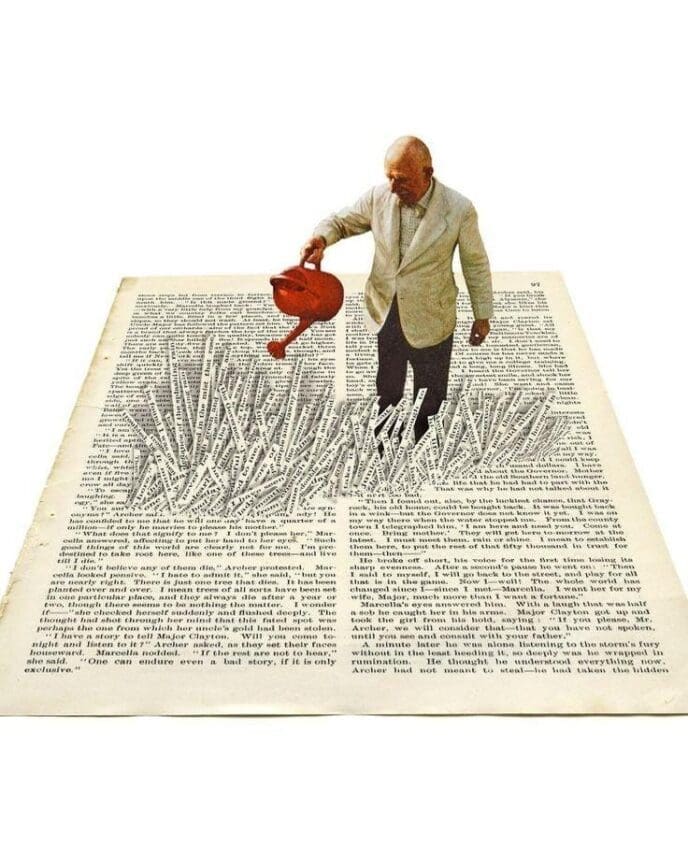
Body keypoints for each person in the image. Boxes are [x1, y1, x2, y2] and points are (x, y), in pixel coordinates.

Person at [300, 136, 493, 440]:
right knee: (388, 388)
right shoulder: (378, 197)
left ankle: (423, 446)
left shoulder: (459, 209)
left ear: (428, 173)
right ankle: (384, 446)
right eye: (389, 177)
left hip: (432, 318)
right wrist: (321, 239)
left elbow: (475, 263)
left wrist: (482, 315)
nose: (392, 187)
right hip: (386, 312)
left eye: (401, 179)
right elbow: (340, 222)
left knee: (430, 396)